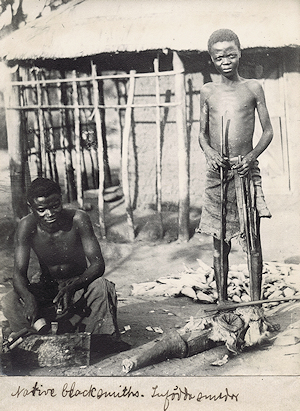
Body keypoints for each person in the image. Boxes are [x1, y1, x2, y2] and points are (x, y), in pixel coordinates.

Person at [197, 29, 273, 303]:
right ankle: (222, 300)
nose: (226, 60)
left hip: (245, 171)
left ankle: (255, 303)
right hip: (218, 173)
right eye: (219, 56)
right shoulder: (207, 91)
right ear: (212, 60)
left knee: (252, 240)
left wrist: (251, 157)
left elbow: (267, 132)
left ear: (240, 53)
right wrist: (209, 153)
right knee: (219, 241)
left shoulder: (253, 88)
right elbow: (202, 135)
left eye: (231, 54)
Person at [1, 177, 120, 345]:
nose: (50, 214)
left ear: (61, 200)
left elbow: (97, 265)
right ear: (31, 207)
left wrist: (73, 287)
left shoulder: (78, 219)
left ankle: (98, 340)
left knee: (102, 288)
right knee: (9, 300)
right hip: (47, 286)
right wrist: (29, 298)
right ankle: (36, 338)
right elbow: (19, 273)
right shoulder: (26, 226)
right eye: (42, 209)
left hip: (78, 284)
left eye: (55, 206)